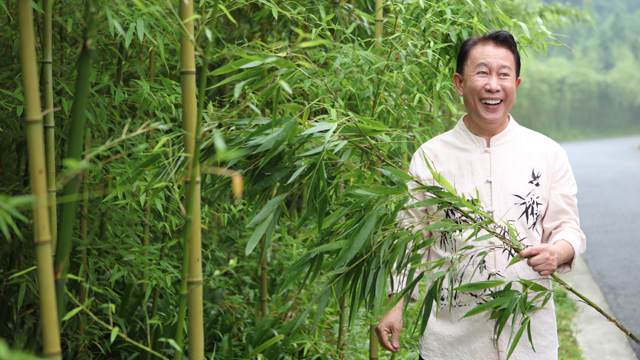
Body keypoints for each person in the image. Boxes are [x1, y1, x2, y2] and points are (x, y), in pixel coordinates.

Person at [375, 30, 586, 359]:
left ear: (515, 85)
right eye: (482, 72)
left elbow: (567, 227)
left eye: (504, 74)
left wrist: (557, 253)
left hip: (528, 340)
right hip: (452, 342)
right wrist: (394, 305)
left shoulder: (547, 153)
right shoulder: (431, 157)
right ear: (460, 83)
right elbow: (410, 238)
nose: (493, 85)